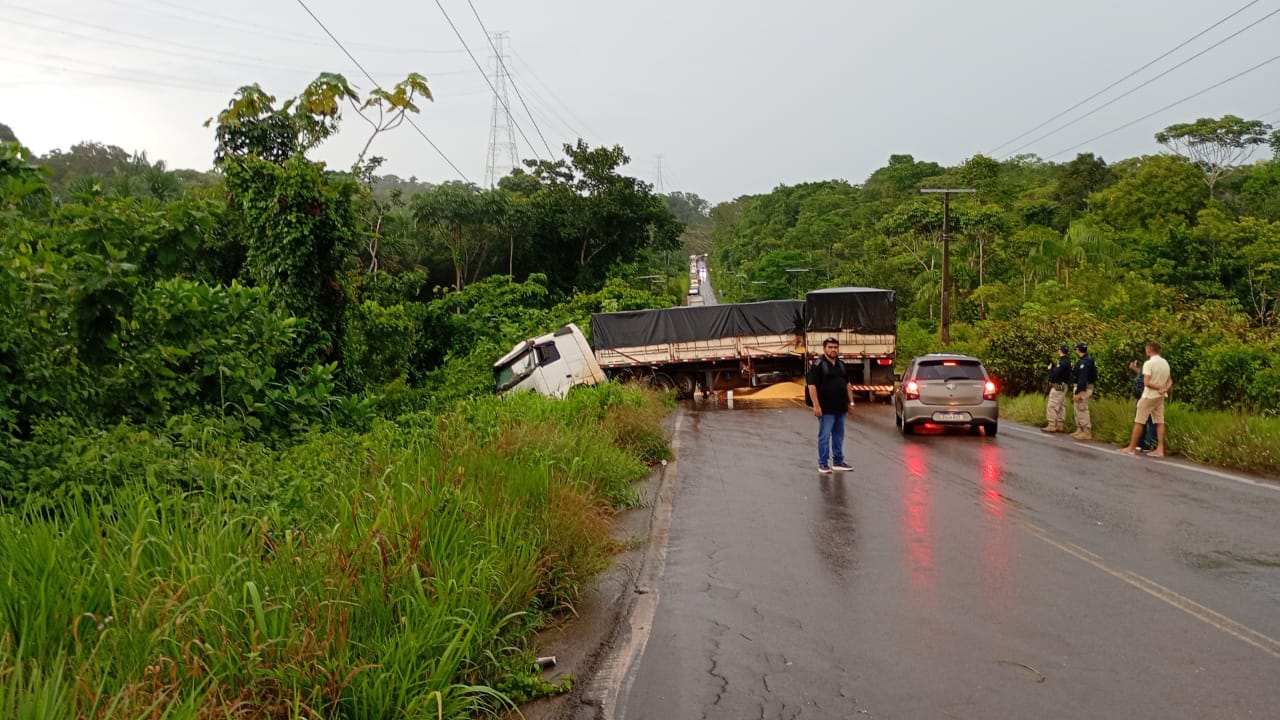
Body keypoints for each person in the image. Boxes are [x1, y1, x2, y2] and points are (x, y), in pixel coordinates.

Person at [807, 337, 855, 474]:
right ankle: (823, 463)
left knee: (839, 435)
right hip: (826, 409)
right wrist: (816, 406)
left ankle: (838, 461)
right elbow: (812, 386)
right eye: (830, 347)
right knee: (824, 435)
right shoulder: (818, 365)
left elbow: (847, 384)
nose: (833, 350)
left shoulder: (841, 364)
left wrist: (851, 402)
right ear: (824, 349)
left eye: (835, 347)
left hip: (841, 408)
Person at [1121, 341, 1173, 457]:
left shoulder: (1149, 363)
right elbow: (1170, 381)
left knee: (1139, 420)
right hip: (1160, 397)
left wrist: (1159, 387)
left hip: (1149, 396)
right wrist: (1164, 388)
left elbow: (1147, 382)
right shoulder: (1165, 363)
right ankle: (1160, 449)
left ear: (1149, 351)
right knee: (1160, 421)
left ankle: (1132, 447)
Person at [1041, 345, 1073, 433]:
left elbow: (1056, 374)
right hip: (1064, 385)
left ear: (1060, 351)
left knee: (1052, 405)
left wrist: (1050, 370)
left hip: (1058, 386)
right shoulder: (1068, 361)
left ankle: (1051, 424)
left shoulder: (1062, 362)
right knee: (1061, 405)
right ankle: (1060, 424)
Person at [1129, 359, 1158, 451]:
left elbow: (1148, 380)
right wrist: (1135, 369)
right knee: (1142, 421)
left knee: (1151, 420)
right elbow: (1143, 375)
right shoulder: (1148, 366)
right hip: (1141, 396)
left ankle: (1149, 443)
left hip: (1147, 396)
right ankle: (1141, 443)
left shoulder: (1153, 367)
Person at [1071, 342, 1097, 440]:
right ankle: (1080, 429)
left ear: (1078, 350)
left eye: (1076, 349)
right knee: (1078, 408)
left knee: (1082, 408)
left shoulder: (1084, 362)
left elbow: (1082, 378)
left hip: (1083, 388)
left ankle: (1086, 431)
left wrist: (1078, 392)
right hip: (1085, 387)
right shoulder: (1089, 359)